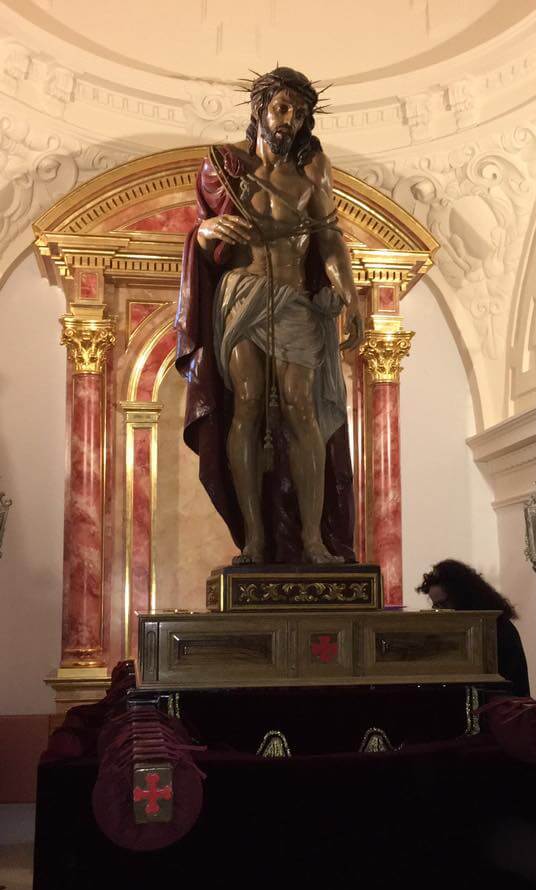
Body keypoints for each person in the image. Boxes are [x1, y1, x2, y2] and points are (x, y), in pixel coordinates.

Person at [175, 67, 362, 565]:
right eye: (282, 108)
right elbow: (200, 231)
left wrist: (351, 295)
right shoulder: (223, 166)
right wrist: (210, 232)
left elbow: (329, 239)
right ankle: (254, 540)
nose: (290, 121)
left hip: (296, 300)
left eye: (300, 114)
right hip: (241, 295)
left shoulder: (312, 172)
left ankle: (313, 541)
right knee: (248, 404)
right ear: (260, 108)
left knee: (302, 408)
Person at [417, 559, 530, 697]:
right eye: (436, 606)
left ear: (462, 597)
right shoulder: (461, 629)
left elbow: (505, 684)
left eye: (444, 604)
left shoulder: (497, 628)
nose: (440, 612)